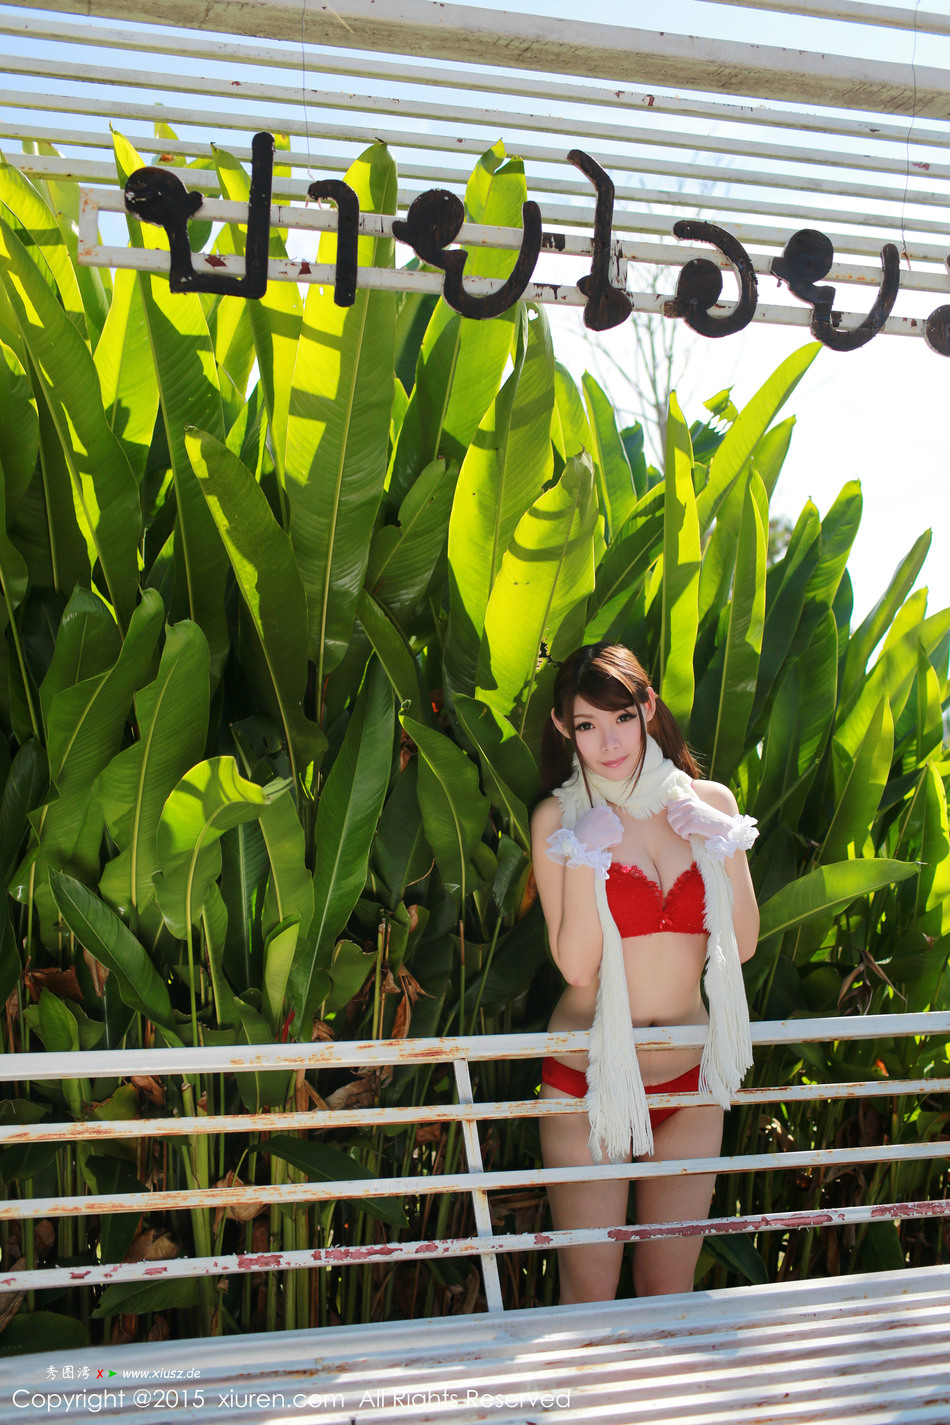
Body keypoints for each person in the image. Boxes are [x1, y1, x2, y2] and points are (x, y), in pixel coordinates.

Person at [530, 643, 759, 1303]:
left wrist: (723, 843)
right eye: (587, 724)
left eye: (622, 718)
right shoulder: (559, 819)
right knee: (590, 1292)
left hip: (690, 1082)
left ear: (648, 709)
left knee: (668, 1290)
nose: (609, 742)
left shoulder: (709, 800)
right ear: (563, 727)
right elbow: (577, 966)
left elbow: (743, 944)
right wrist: (583, 856)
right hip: (587, 1082)